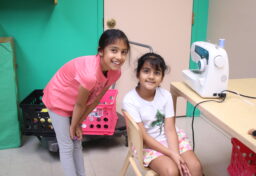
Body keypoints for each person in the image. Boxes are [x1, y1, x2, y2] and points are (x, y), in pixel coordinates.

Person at [42, 29, 130, 176]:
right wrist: (74, 125)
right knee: (66, 146)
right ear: (101, 51)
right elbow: (80, 105)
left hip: (76, 102)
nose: (119, 57)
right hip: (58, 99)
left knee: (77, 141)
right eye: (114, 50)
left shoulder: (116, 72)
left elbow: (96, 99)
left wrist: (78, 123)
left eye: (124, 52)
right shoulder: (90, 74)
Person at [122, 53, 203, 176]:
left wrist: (175, 155)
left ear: (162, 77)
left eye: (157, 73)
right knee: (172, 171)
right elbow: (143, 137)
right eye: (146, 71)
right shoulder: (130, 100)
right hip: (146, 144)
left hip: (170, 138)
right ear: (138, 74)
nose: (151, 76)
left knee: (195, 167)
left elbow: (170, 129)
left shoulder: (166, 95)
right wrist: (172, 155)